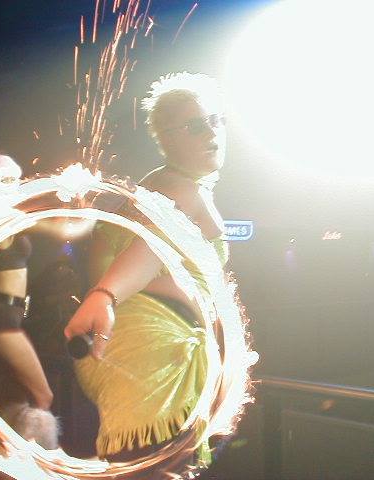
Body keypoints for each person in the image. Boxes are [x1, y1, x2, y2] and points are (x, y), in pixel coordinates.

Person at [64, 72, 229, 465]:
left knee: (141, 465)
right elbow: (150, 249)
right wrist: (105, 296)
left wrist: (111, 294)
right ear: (166, 139)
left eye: (216, 120)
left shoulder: (149, 189)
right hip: (155, 362)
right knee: (159, 467)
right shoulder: (179, 190)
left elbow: (113, 255)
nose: (212, 132)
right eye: (195, 125)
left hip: (123, 351)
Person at [0, 154, 59, 453]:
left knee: (12, 402)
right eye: (7, 180)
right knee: (41, 397)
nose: (16, 186)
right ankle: (25, 462)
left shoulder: (2, 220)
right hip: (2, 324)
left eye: (17, 179)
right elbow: (62, 229)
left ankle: (7, 462)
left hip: (6, 321)